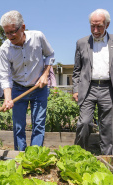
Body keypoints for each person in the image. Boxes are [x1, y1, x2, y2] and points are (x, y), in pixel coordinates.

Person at [0, 10, 55, 151]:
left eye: (12, 32)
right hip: (18, 88)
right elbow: (5, 75)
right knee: (18, 126)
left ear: (23, 27)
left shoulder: (38, 37)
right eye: (6, 33)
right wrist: (8, 98)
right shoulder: (5, 49)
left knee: (39, 124)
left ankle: (34, 157)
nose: (10, 36)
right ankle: (20, 156)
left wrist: (45, 75)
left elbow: (50, 55)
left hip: (38, 88)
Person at [72, 9, 113, 155]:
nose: (95, 30)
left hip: (108, 88)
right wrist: (75, 89)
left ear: (107, 25)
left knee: (108, 126)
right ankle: (79, 155)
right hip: (88, 88)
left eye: (99, 26)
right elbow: (77, 70)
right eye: (92, 26)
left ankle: (107, 159)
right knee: (84, 123)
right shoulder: (81, 43)